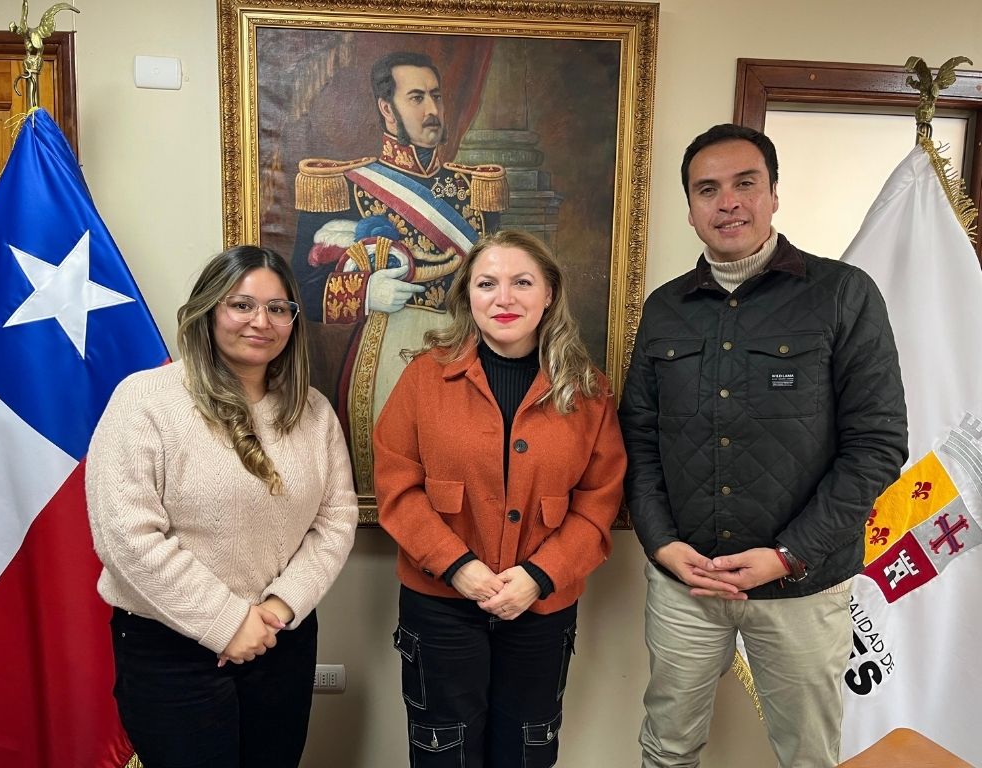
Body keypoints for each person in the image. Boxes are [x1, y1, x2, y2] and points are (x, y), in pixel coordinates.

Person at [619, 123, 909, 767]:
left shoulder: (842, 294)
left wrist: (787, 555)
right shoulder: (665, 310)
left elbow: (878, 444)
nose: (728, 202)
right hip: (684, 586)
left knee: (807, 755)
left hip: (802, 588)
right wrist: (663, 544)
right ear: (690, 208)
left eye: (744, 183)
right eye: (708, 189)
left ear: (773, 193)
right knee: (667, 747)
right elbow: (637, 438)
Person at [86, 246, 359, 768]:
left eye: (278, 309)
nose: (261, 321)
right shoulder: (145, 400)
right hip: (172, 649)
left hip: (282, 641)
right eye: (242, 305)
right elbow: (127, 536)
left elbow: (336, 520)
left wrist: (276, 611)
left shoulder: (314, 411)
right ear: (209, 310)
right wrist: (229, 622)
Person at [374, 229, 626, 767]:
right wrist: (457, 566)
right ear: (468, 295)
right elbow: (397, 486)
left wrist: (537, 576)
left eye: (522, 282)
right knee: (445, 749)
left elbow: (598, 503)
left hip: (541, 609)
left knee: (527, 749)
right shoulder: (423, 378)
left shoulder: (587, 391)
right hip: (441, 606)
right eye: (487, 283)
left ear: (549, 294)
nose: (504, 298)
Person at [292, 50, 508, 492]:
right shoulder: (345, 185)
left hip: (467, 355)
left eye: (436, 96)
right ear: (386, 109)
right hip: (385, 355)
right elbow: (301, 291)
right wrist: (366, 292)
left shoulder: (476, 187)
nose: (432, 110)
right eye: (416, 98)